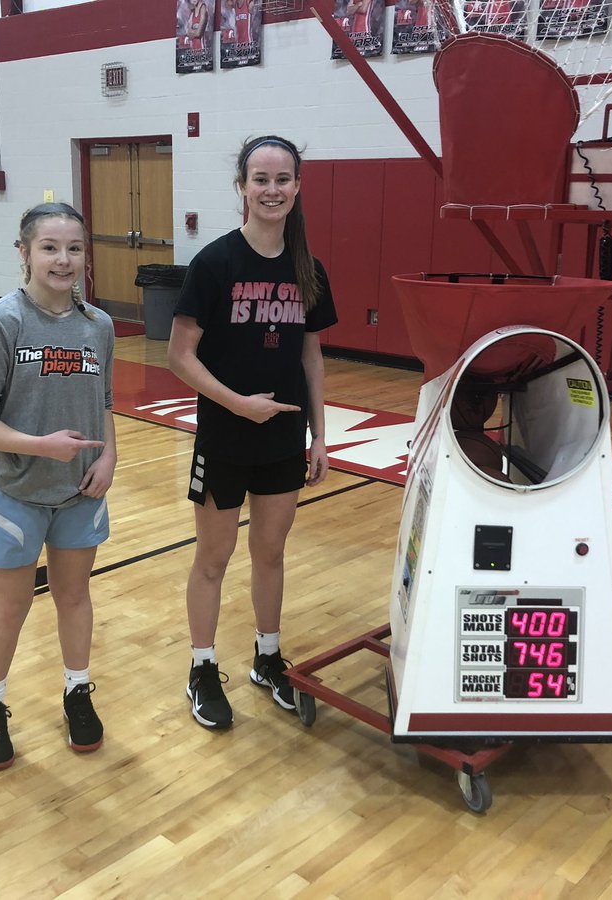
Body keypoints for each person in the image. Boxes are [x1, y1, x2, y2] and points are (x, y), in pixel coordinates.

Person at [168, 135, 337, 730]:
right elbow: (180, 356)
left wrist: (320, 434)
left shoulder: (307, 268)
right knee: (213, 557)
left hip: (283, 441)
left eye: (282, 179)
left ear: (297, 187)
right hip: (224, 438)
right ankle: (202, 667)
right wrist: (237, 404)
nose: (272, 190)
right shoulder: (214, 263)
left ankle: (267, 658)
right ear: (240, 186)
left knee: (271, 552)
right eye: (260, 179)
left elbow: (312, 358)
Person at [0, 201, 117, 769]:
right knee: (10, 605)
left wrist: (110, 456)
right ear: (23, 253)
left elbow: (103, 403)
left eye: (74, 248)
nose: (63, 259)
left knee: (75, 597)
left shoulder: (99, 325)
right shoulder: (1, 323)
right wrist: (41, 446)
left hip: (80, 493)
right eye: (50, 247)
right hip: (12, 491)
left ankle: (77, 691)